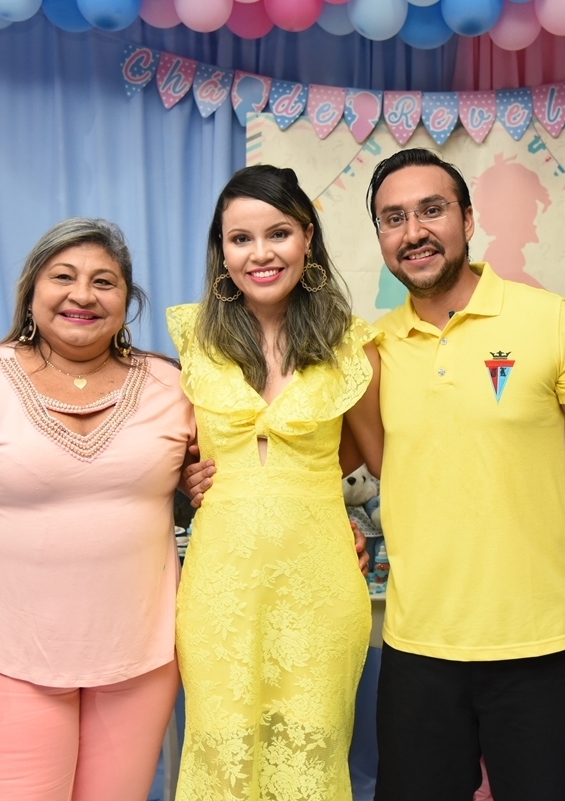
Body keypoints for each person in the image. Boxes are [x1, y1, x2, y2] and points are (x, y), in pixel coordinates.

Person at [186, 149, 565, 801]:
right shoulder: (369, 351)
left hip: (539, 645)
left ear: (469, 219)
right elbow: (323, 460)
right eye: (394, 218)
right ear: (380, 238)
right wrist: (209, 478)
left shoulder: (547, 319)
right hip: (418, 648)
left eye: (432, 210)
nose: (414, 231)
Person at [0, 219, 193, 801]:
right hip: (13, 661)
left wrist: (201, 482)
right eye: (63, 277)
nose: (83, 294)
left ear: (126, 300)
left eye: (104, 281)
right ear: (31, 291)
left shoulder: (172, 386)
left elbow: (213, 485)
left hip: (141, 663)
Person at [166, 164, 383, 801]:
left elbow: (375, 460)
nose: (260, 253)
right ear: (222, 249)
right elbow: (165, 453)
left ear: (307, 238)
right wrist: (185, 480)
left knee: (312, 757)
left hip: (319, 582)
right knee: (221, 755)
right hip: (219, 586)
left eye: (278, 233)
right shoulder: (193, 340)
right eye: (241, 238)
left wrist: (316, 507)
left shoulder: (352, 346)